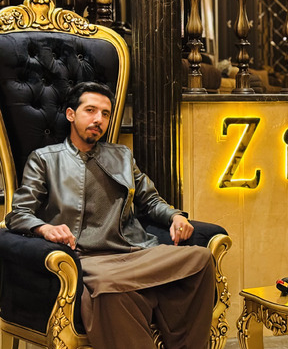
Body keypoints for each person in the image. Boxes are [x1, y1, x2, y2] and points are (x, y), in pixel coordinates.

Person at [5, 82, 216, 349]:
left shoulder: (122, 156)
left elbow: (150, 201)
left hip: (134, 252)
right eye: (90, 110)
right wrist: (45, 229)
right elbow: (18, 213)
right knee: (108, 288)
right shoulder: (45, 159)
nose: (99, 119)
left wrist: (176, 217)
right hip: (88, 259)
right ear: (71, 114)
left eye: (105, 114)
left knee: (200, 258)